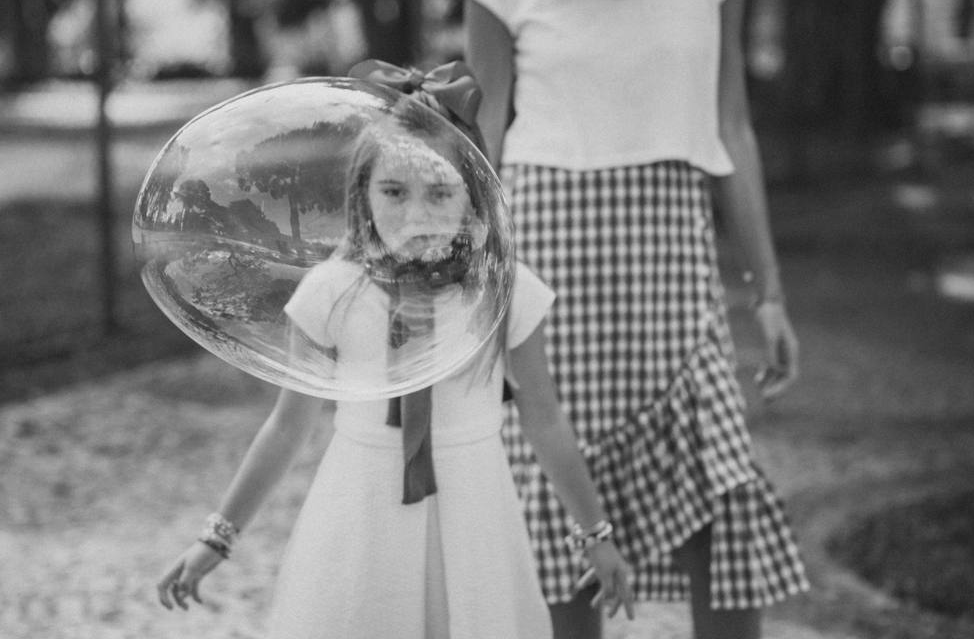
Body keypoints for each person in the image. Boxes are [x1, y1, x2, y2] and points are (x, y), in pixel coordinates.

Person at [445, 0, 810, 637]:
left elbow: (732, 126)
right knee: (560, 515)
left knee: (725, 504)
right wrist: (473, 289)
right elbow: (487, 146)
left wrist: (770, 292)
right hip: (547, 246)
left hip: (673, 245)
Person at [155, 67, 635, 638]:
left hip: (476, 508)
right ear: (362, 195)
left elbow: (546, 421)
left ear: (472, 196)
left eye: (439, 192)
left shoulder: (504, 291)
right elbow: (287, 428)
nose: (416, 213)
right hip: (360, 506)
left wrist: (595, 534)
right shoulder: (333, 293)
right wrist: (219, 536)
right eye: (393, 191)